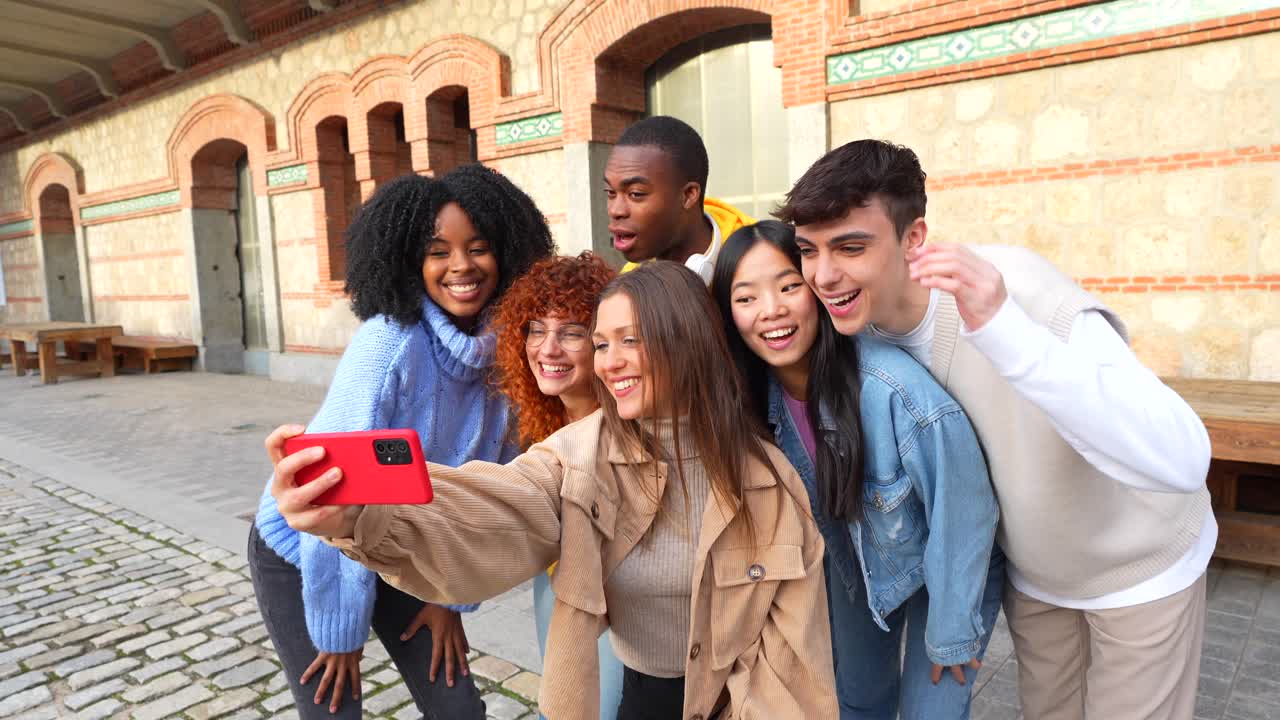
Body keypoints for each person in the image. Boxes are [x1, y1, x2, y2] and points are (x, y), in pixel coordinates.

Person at [265, 262, 839, 720]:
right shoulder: (578, 456)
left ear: (685, 343)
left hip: (743, 703)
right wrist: (359, 515)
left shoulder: (769, 477)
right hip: (643, 700)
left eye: (629, 341)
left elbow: (795, 659)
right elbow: (497, 505)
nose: (609, 363)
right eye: (603, 343)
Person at [779, 139, 1214, 720]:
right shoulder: (854, 332)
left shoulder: (1013, 287)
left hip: (1139, 570)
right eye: (809, 251)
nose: (823, 275)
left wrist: (1007, 330)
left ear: (914, 238)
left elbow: (1184, 457)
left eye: (850, 247)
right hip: (1037, 582)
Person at [248, 167, 555, 718]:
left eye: (479, 247)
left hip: (405, 543)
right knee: (333, 711)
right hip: (308, 550)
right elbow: (327, 492)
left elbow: (488, 497)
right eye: (438, 251)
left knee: (458, 709)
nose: (461, 266)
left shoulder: (513, 353)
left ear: (508, 252)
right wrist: (341, 633)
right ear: (409, 261)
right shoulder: (387, 347)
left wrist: (448, 598)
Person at [711, 220, 1003, 719]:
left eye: (788, 287)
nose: (772, 310)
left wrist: (954, 636)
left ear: (816, 290)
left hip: (948, 557)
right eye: (746, 297)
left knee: (931, 710)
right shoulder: (756, 399)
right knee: (857, 704)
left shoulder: (891, 389)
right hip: (860, 558)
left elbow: (966, 511)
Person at [488, 252, 624, 719]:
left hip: (618, 602)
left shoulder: (629, 424)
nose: (546, 349)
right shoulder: (541, 418)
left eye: (570, 332)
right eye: (536, 329)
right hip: (553, 584)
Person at [604, 116, 753, 283]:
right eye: (610, 192)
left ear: (689, 195)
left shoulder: (760, 262)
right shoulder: (630, 283)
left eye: (636, 194)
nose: (615, 210)